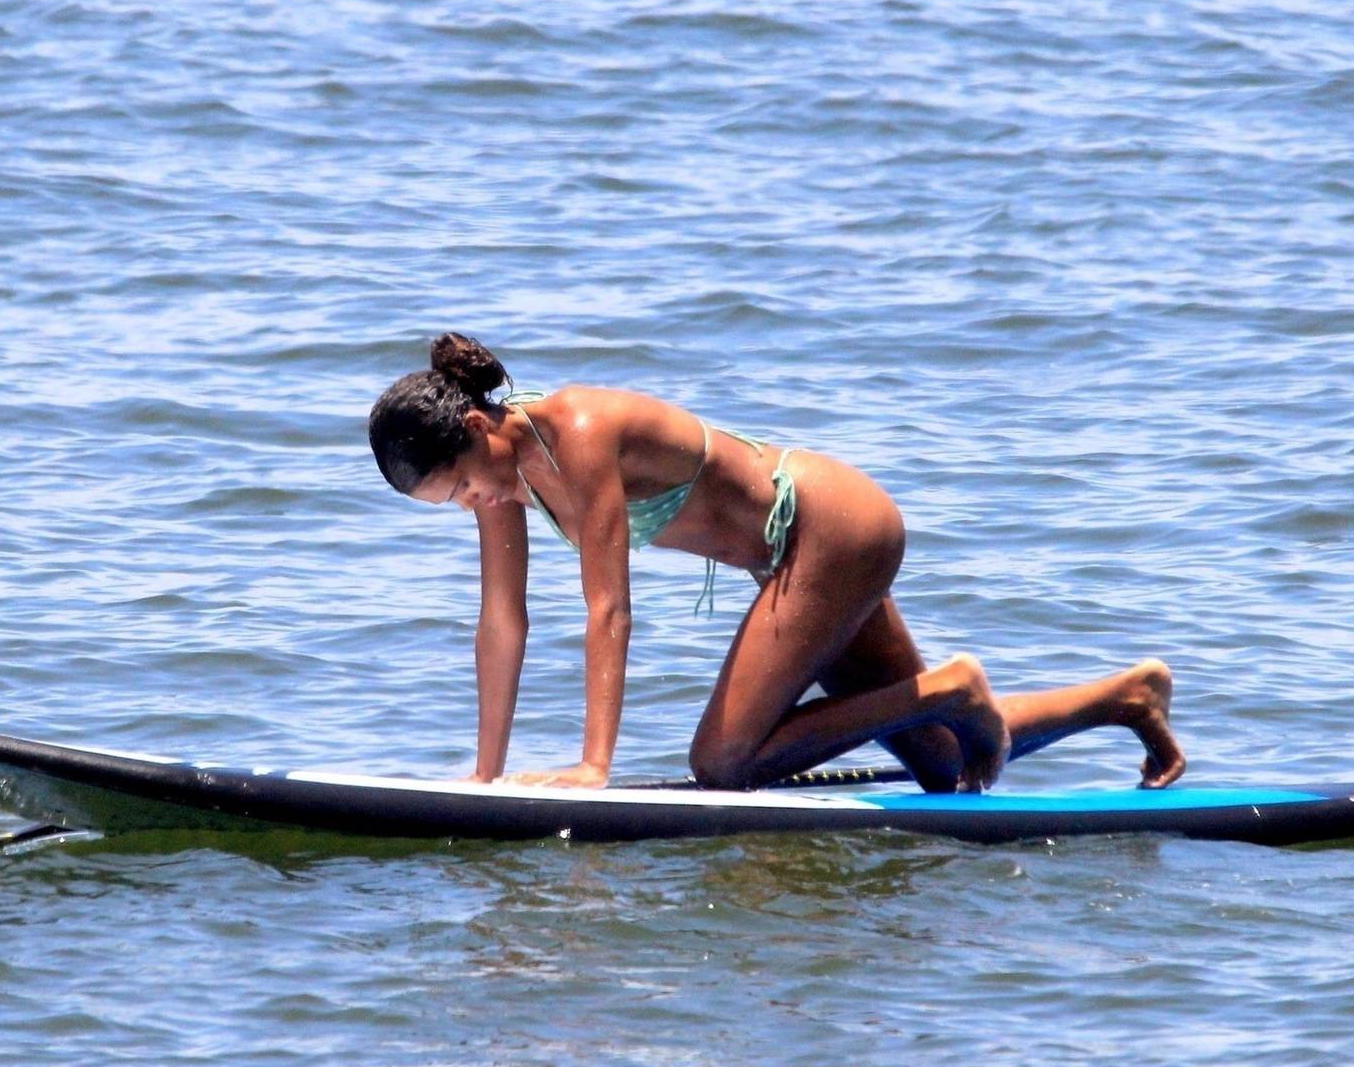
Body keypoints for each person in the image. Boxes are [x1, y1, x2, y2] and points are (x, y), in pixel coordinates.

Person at [367, 333, 1186, 792]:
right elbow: (502, 626)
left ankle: (952, 687)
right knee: (942, 761)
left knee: (722, 764)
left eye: (462, 489)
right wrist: (484, 781)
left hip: (830, 527)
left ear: (478, 429)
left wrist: (593, 768)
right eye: (452, 505)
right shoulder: (505, 483)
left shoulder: (575, 433)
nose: (473, 505)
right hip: (802, 556)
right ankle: (1126, 699)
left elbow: (608, 610)